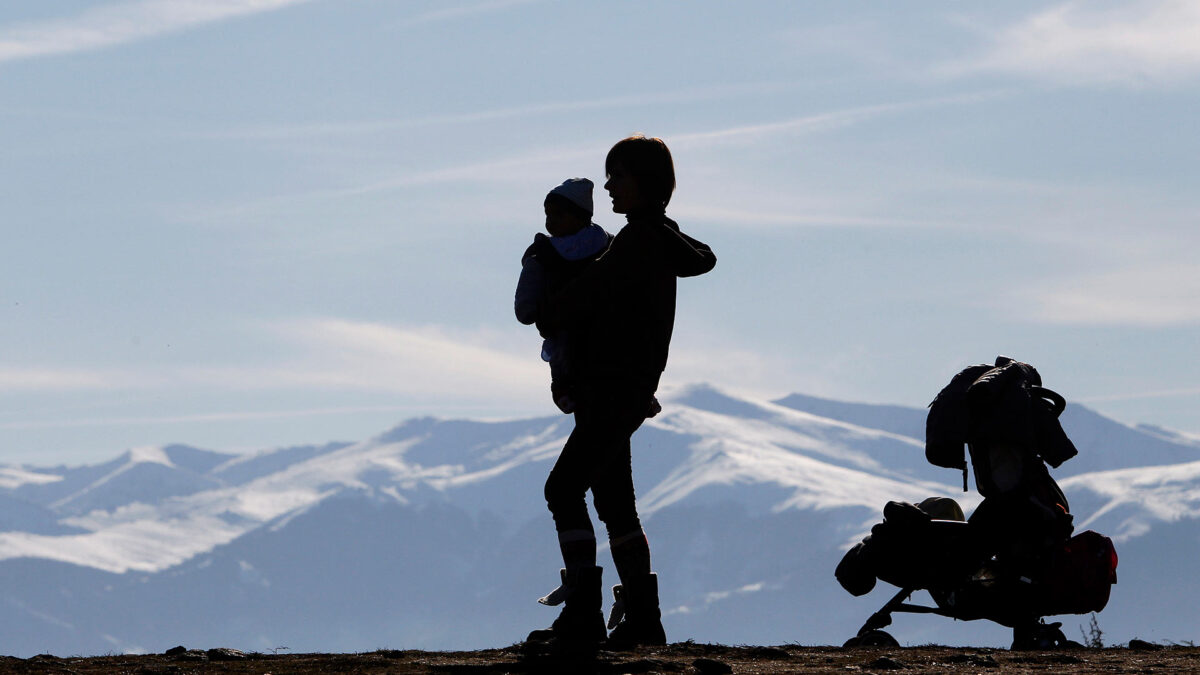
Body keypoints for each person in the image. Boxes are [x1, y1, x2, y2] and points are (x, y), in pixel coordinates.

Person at [526, 135, 716, 648]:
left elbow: (578, 300)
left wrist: (544, 304)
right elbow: (701, 258)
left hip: (610, 390)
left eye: (618, 176)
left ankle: (585, 615)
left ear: (644, 182)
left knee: (562, 490)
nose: (608, 185)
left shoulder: (634, 242)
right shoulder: (655, 238)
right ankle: (643, 619)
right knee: (615, 503)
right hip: (624, 391)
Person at [514, 178, 614, 414]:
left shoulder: (542, 254)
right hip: (604, 329)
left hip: (565, 328)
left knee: (563, 358)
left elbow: (525, 306)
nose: (551, 221)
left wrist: (533, 310)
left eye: (559, 215)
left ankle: (563, 388)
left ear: (580, 216)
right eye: (548, 215)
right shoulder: (609, 245)